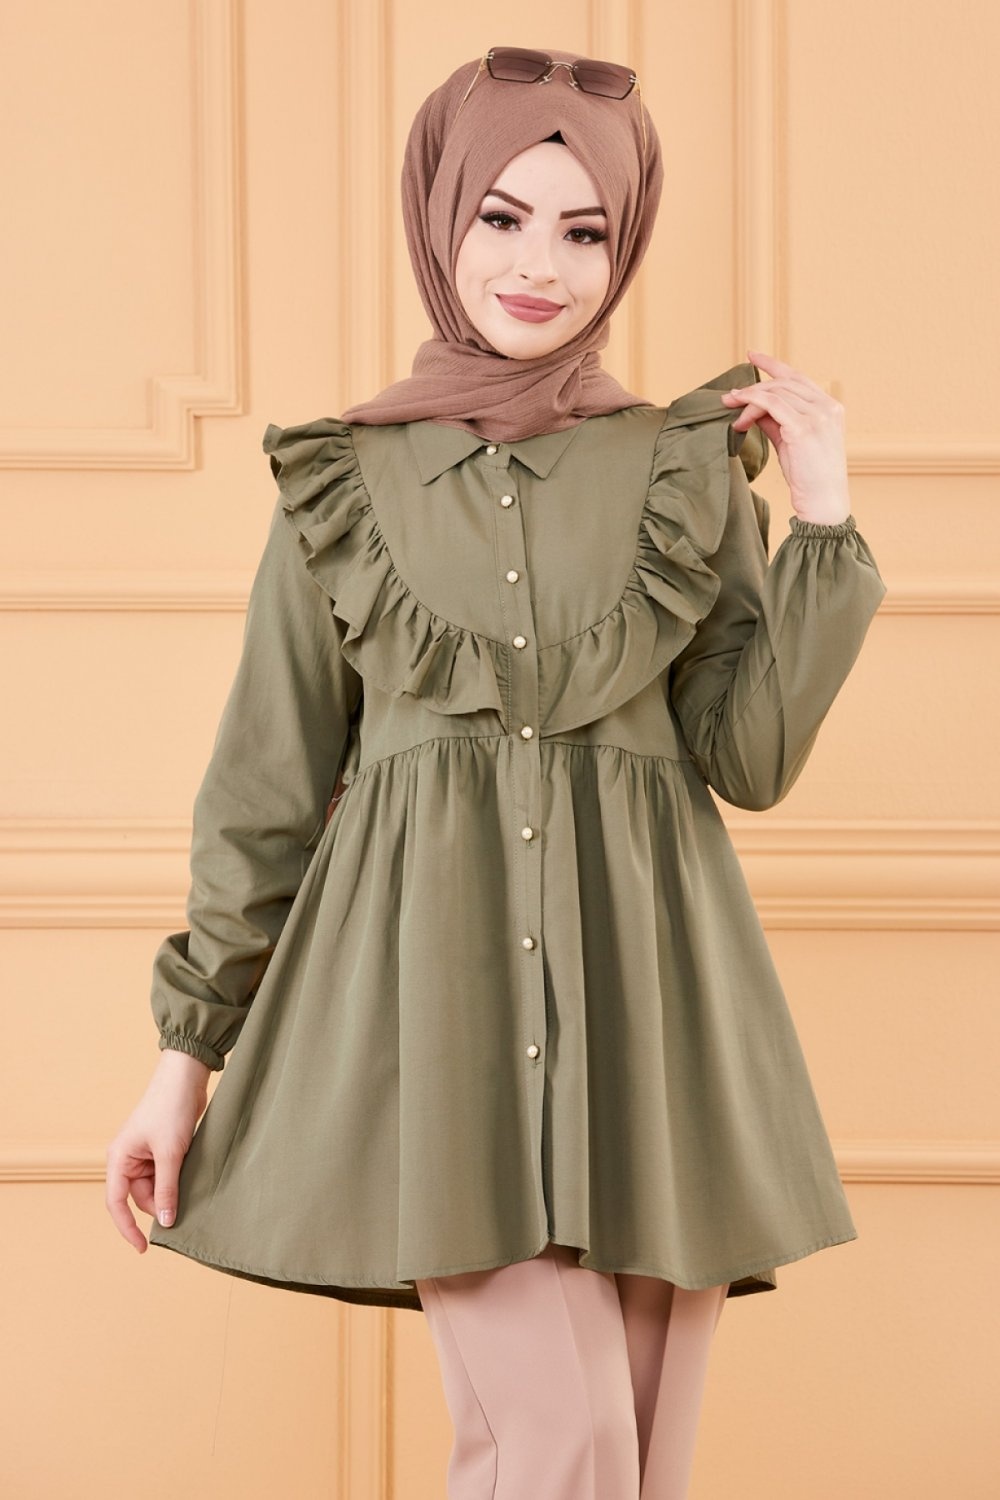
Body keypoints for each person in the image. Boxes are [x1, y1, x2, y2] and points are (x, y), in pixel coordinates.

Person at [105, 44, 887, 1499]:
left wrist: (823, 519)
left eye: (585, 231)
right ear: (439, 214)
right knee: (567, 1449)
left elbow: (751, 756)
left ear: (625, 244)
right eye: (502, 217)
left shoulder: (681, 467)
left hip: (655, 1025)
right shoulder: (345, 483)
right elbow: (268, 790)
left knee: (634, 1462)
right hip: (432, 1027)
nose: (542, 266)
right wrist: (182, 1062)